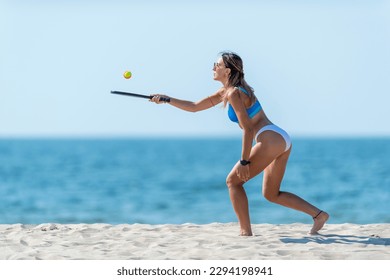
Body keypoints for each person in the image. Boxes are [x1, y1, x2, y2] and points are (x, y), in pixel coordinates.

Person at [150, 51, 329, 236]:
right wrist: (167, 99)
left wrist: (244, 161)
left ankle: (245, 232)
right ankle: (319, 215)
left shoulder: (234, 93)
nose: (213, 68)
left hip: (269, 138)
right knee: (271, 194)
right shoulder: (227, 92)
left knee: (233, 182)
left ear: (227, 71)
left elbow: (248, 129)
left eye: (217, 65)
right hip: (280, 138)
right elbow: (195, 107)